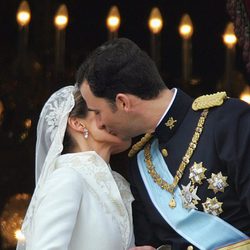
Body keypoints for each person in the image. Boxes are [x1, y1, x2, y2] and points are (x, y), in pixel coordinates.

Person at [76, 38, 250, 250]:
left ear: (123, 102)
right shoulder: (140, 164)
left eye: (97, 112)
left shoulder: (228, 121)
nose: (100, 123)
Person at [17, 85, 136, 250]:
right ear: (77, 122)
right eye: (102, 111)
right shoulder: (67, 178)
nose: (118, 117)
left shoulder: (117, 184)